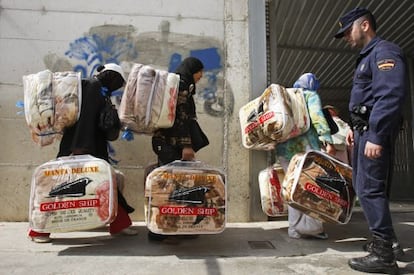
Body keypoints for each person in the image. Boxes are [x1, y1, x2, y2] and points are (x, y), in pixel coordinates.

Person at [28, 63, 138, 243]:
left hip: (89, 146)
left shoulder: (98, 90)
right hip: (82, 147)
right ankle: (38, 230)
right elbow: (85, 120)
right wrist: (80, 149)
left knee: (105, 184)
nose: (118, 86)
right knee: (58, 188)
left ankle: (120, 223)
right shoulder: (93, 87)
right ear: (111, 77)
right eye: (117, 81)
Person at [334, 7, 407, 274]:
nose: (345, 38)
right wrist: (356, 127)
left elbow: (389, 96)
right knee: (365, 187)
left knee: (369, 189)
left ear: (364, 25)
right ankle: (388, 244)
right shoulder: (368, 56)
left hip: (374, 135)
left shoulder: (384, 52)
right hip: (365, 132)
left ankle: (384, 254)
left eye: (347, 31)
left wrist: (375, 135)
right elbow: (367, 99)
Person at [149, 57, 207, 241]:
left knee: (172, 184)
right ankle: (159, 230)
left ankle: (173, 227)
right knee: (169, 186)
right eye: (200, 71)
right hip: (171, 144)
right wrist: (187, 146)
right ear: (192, 70)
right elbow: (181, 118)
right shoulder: (181, 85)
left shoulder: (175, 83)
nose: (201, 76)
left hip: (164, 142)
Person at [275, 73, 336, 240]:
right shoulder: (310, 95)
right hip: (305, 149)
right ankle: (311, 228)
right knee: (311, 188)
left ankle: (294, 229)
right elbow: (317, 117)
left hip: (284, 151)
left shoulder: (286, 97)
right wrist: (327, 140)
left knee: (293, 189)